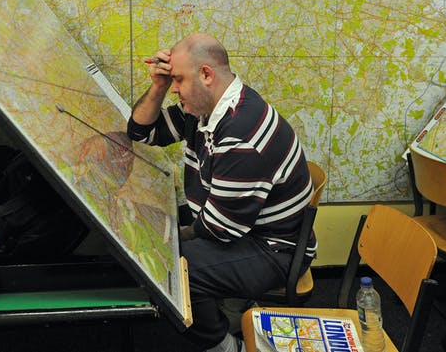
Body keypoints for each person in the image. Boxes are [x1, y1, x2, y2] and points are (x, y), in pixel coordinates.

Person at [127, 32, 316, 352]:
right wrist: (157, 86)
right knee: (169, 242)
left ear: (206, 74)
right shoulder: (204, 108)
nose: (174, 88)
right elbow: (141, 132)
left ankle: (226, 346)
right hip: (243, 229)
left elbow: (221, 229)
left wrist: (168, 238)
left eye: (178, 80)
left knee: (176, 269)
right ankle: (227, 311)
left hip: (274, 249)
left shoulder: (240, 131)